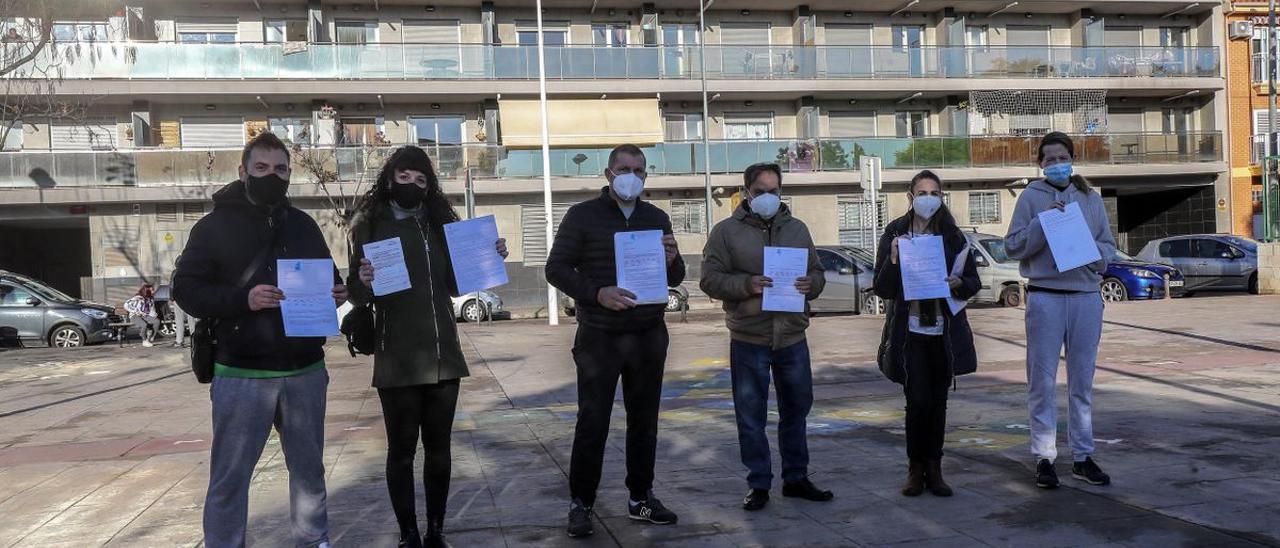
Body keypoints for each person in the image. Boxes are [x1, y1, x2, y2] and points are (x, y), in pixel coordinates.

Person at [173, 132, 348, 548]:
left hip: (304, 369)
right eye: (262, 168)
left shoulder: (303, 224)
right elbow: (186, 290)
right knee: (230, 478)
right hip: (242, 371)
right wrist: (243, 299)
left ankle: (313, 541)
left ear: (290, 173)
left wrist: (339, 290)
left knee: (309, 473)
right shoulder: (213, 227)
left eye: (281, 169)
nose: (273, 176)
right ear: (244, 172)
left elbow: (329, 277)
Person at [347, 146, 508, 548]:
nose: (412, 184)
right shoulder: (370, 223)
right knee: (401, 453)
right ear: (389, 178)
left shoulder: (438, 224)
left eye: (421, 179)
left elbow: (455, 284)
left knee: (439, 450)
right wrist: (363, 281)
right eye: (405, 176)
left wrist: (490, 255)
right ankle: (408, 535)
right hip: (397, 358)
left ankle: (436, 530)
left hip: (443, 357)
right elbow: (355, 290)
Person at [546, 144, 685, 538]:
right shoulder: (582, 216)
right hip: (600, 337)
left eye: (639, 170)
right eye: (624, 168)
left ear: (646, 176)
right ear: (608, 174)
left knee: (645, 422)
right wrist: (597, 293)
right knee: (593, 422)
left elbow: (675, 278)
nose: (631, 175)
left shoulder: (656, 217)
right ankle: (581, 503)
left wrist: (674, 260)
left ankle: (641, 497)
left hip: (647, 335)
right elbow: (555, 268)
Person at [699, 162, 833, 511]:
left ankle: (796, 478)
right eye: (760, 191)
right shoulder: (725, 232)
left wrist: (811, 285)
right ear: (745, 193)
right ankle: (758, 483)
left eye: (774, 191)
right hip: (749, 337)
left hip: (791, 337)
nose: (768, 197)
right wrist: (746, 284)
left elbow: (816, 272)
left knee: (796, 411)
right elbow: (709, 279)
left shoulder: (798, 229)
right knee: (750, 415)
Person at [1005, 132, 1116, 490]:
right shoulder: (1031, 198)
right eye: (1049, 159)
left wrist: (1092, 253)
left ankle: (1083, 456)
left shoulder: (1089, 197)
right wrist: (1042, 223)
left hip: (1084, 295)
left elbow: (1107, 247)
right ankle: (1044, 457)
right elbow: (1013, 246)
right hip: (1045, 295)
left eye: (1062, 157)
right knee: (1042, 380)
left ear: (1072, 158)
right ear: (1040, 164)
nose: (1056, 164)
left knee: (1082, 381)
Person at [872, 170, 981, 498]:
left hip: (943, 332)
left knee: (938, 403)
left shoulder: (953, 235)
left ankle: (935, 468)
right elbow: (882, 287)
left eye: (935, 192)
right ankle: (914, 469)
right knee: (916, 402)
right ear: (910, 196)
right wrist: (893, 259)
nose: (928, 198)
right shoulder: (895, 231)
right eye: (922, 192)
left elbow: (972, 281)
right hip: (910, 332)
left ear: (941, 196)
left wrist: (958, 283)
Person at [124, 283, 159, 347]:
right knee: (144, 324)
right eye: (151, 290)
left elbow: (151, 309)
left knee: (156, 321)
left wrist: (153, 314)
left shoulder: (151, 299)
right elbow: (126, 305)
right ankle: (144, 340)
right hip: (135, 315)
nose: (153, 291)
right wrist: (135, 311)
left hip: (145, 315)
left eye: (153, 290)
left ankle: (151, 337)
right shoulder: (138, 298)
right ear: (146, 291)